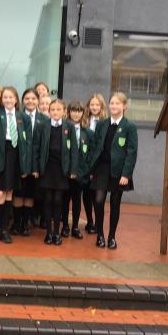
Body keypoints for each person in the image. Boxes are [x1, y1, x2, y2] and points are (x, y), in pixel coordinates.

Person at [88, 92, 137, 249]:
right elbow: (95, 147)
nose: (114, 106)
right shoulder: (102, 124)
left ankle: (112, 237)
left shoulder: (129, 127)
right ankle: (100, 235)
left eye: (117, 103)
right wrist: (91, 169)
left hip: (118, 170)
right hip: (101, 168)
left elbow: (131, 152)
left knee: (115, 203)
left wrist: (126, 174)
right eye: (112, 103)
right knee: (98, 201)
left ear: (124, 106)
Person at [0, 86, 31, 244]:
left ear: (16, 99)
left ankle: (4, 229)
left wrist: (25, 166)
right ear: (1, 100)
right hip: (0, 157)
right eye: (5, 97)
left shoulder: (23, 117)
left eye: (11, 97)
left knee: (9, 194)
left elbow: (27, 143)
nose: (8, 100)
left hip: (15, 157)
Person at [33, 99, 77, 245]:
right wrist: (35, 168)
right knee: (47, 199)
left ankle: (57, 232)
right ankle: (48, 232)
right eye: (53, 109)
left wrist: (73, 169)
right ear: (49, 111)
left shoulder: (69, 126)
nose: (55, 112)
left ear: (64, 111)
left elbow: (74, 150)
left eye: (58, 109)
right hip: (47, 168)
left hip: (61, 169)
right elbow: (36, 148)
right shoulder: (42, 126)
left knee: (58, 200)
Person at [12, 88, 44, 236]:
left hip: (35, 163)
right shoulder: (16, 115)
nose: (30, 101)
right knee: (18, 193)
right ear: (22, 100)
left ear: (38, 100)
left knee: (30, 194)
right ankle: (16, 223)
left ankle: (25, 224)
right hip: (18, 161)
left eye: (33, 98)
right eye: (27, 98)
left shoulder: (43, 119)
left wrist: (36, 167)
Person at [67, 100, 92, 239]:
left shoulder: (87, 132)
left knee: (77, 200)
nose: (76, 114)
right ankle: (65, 226)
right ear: (69, 112)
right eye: (73, 111)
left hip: (81, 173)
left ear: (83, 113)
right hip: (66, 172)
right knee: (64, 199)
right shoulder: (64, 128)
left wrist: (87, 170)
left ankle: (75, 227)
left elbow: (90, 153)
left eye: (79, 111)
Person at [83, 93, 107, 234]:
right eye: (92, 104)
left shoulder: (105, 122)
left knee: (97, 195)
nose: (94, 107)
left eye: (97, 104)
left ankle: (99, 222)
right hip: (85, 162)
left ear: (102, 106)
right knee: (86, 193)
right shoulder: (84, 121)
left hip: (99, 163)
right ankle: (90, 221)